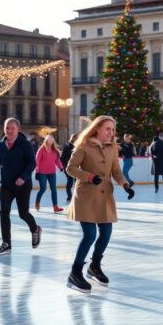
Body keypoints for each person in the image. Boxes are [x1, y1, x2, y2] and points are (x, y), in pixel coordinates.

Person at [65, 115, 135, 294]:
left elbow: (116, 170)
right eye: (107, 129)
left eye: (113, 129)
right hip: (87, 195)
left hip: (104, 196)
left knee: (106, 234)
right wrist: (88, 177)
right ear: (97, 129)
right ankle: (75, 273)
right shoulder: (83, 145)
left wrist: (125, 184)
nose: (111, 133)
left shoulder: (112, 148)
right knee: (89, 235)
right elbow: (71, 168)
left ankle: (94, 266)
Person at [0, 118, 42, 257]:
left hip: (23, 185)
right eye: (7, 128)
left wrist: (23, 177)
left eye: (12, 128)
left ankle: (35, 229)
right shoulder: (0, 146)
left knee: (23, 213)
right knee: (4, 213)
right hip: (6, 186)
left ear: (18, 130)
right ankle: (6, 244)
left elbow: (32, 163)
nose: (9, 131)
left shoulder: (25, 144)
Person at [35, 135, 64, 214]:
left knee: (54, 189)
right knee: (43, 189)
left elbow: (57, 160)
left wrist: (61, 167)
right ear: (46, 141)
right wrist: (37, 172)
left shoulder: (54, 150)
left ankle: (55, 207)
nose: (50, 142)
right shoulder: (41, 149)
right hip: (42, 172)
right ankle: (37, 202)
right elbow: (37, 161)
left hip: (52, 172)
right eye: (49, 140)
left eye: (52, 140)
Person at [61, 134, 78, 203]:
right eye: (76, 138)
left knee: (77, 182)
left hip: (76, 167)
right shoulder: (67, 146)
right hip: (68, 167)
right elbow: (62, 158)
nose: (77, 139)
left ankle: (77, 196)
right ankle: (69, 196)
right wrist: (65, 167)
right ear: (72, 138)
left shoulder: (77, 146)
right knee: (70, 182)